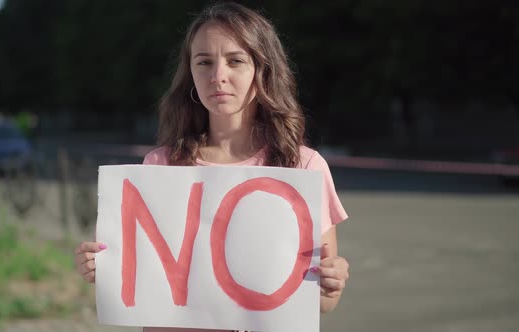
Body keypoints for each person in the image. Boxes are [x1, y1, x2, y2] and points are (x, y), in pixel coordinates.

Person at [74, 2, 350, 331]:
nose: (218, 76)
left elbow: (323, 304)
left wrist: (332, 281)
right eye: (204, 62)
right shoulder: (160, 165)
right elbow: (137, 283)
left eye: (235, 61)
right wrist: (99, 267)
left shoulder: (303, 167)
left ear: (263, 70)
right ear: (190, 72)